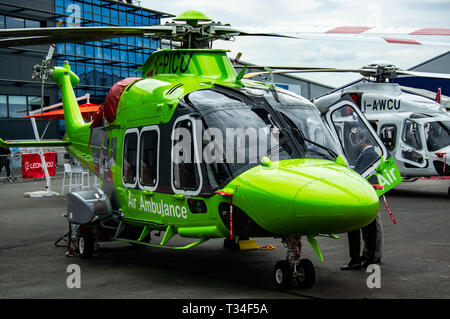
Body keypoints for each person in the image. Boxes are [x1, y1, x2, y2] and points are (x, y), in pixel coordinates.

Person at [341, 127, 381, 270]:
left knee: (356, 228)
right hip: (368, 194)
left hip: (362, 195)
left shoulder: (367, 154)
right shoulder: (371, 153)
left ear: (362, 140)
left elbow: (358, 174)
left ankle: (358, 259)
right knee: (369, 228)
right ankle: (368, 257)